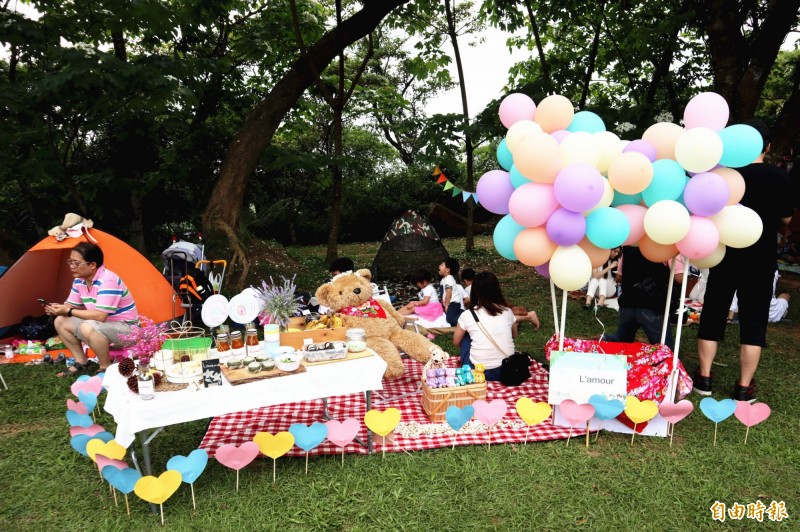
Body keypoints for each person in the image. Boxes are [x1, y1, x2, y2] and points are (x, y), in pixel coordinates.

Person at [694, 119, 793, 402]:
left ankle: (704, 377)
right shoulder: (778, 177)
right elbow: (786, 217)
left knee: (713, 313)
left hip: (725, 253)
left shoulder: (725, 175)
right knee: (754, 323)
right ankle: (743, 387)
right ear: (768, 146)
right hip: (761, 258)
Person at [46, 242, 139, 376]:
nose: (72, 267)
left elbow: (101, 316)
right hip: (102, 327)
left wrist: (68, 311)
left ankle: (105, 368)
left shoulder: (108, 280)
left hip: (128, 331)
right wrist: (57, 308)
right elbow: (70, 306)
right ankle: (81, 362)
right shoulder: (79, 280)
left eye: (76, 263)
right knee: (60, 320)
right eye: (70, 262)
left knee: (88, 325)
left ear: (92, 265)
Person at [453, 271, 539, 381]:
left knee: (465, 337)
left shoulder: (467, 315)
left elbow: (456, 342)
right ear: (497, 289)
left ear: (475, 291)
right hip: (507, 369)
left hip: (478, 372)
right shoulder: (507, 311)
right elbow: (514, 335)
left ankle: (472, 360)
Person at [601, 246, 683, 351]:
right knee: (665, 349)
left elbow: (619, 277)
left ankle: (608, 340)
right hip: (652, 306)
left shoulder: (629, 246)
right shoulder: (668, 246)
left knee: (623, 340)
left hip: (627, 304)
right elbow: (679, 277)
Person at [438, 258, 464, 325]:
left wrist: (447, 305)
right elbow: (443, 293)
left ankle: (466, 316)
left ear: (447, 269)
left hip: (453, 303)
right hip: (449, 303)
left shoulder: (449, 278)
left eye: (441, 265)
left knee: (450, 319)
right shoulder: (443, 279)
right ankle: (462, 314)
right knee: (449, 316)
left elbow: (448, 292)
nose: (439, 266)